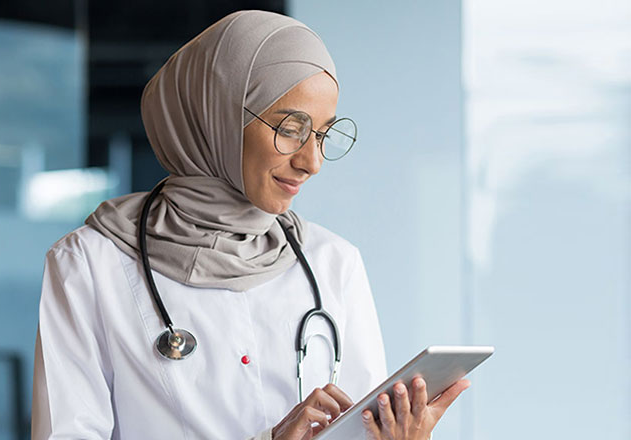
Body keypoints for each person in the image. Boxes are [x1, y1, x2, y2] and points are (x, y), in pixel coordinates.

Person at [31, 10, 469, 440]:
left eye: (322, 134)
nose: (311, 162)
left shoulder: (333, 262)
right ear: (216, 116)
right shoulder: (88, 265)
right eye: (290, 128)